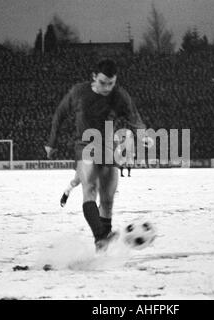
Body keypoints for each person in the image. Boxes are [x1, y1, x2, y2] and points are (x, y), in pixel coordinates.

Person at [45, 59, 148, 251]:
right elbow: (60, 114)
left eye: (111, 83)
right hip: (85, 146)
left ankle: (101, 247)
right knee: (89, 189)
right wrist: (51, 143)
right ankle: (100, 235)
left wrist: (142, 134)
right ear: (93, 77)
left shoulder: (119, 95)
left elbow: (133, 116)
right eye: (102, 82)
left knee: (107, 201)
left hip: (108, 148)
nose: (107, 87)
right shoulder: (78, 92)